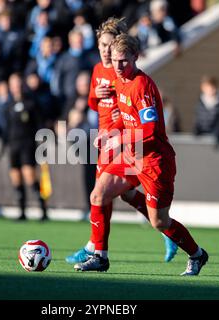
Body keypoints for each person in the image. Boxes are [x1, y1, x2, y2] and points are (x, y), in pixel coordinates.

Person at [74, 34, 208, 275]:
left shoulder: (141, 85)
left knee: (159, 222)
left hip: (155, 160)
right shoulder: (119, 80)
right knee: (99, 195)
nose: (118, 65)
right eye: (115, 60)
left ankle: (197, 254)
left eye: (124, 61)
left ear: (135, 57)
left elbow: (150, 130)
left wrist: (119, 140)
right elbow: (125, 120)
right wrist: (110, 132)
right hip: (131, 157)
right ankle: (99, 256)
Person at [65, 18, 179, 267]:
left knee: (102, 194)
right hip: (106, 139)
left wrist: (118, 119)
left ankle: (96, 249)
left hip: (124, 141)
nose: (105, 50)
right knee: (122, 195)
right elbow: (94, 104)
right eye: (101, 45)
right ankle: (162, 231)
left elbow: (133, 109)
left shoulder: (123, 71)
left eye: (109, 45)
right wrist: (98, 95)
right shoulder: (97, 71)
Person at [2, 73, 48, 221]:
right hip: (13, 145)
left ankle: (43, 211)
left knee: (30, 178)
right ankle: (22, 212)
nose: (16, 87)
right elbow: (6, 126)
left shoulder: (31, 103)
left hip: (27, 145)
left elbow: (40, 124)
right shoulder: (8, 105)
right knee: (16, 178)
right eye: (13, 84)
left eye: (18, 84)